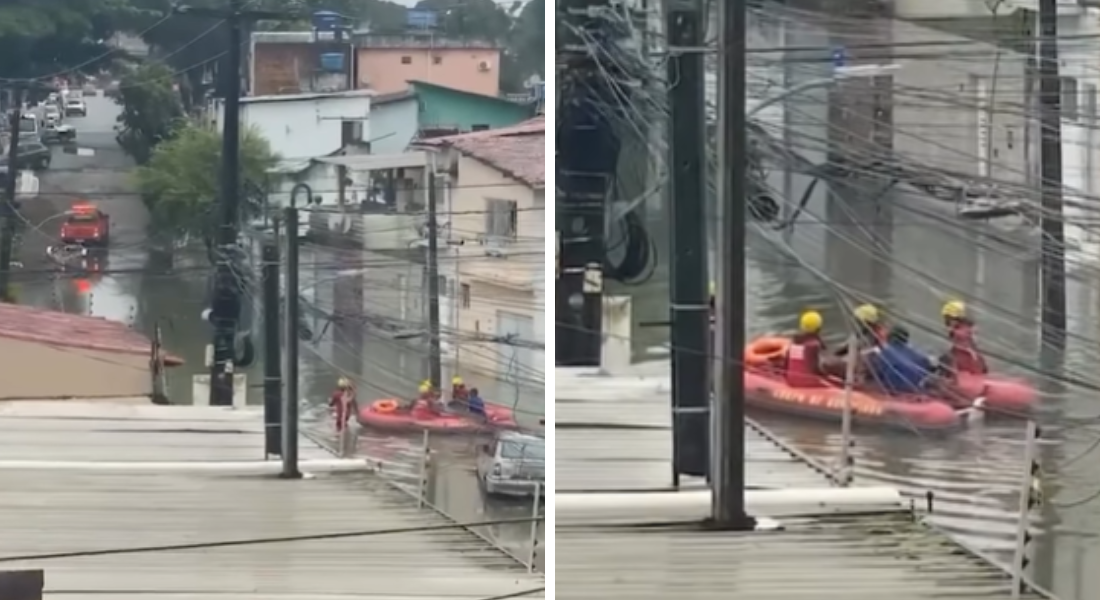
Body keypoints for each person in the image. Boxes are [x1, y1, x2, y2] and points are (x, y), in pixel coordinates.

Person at [865, 325, 936, 395]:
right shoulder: (919, 356)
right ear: (906, 339)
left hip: (891, 391)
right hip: (913, 392)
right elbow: (927, 368)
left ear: (889, 338)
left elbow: (873, 373)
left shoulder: (883, 354)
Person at [940, 300, 988, 375]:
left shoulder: (964, 330)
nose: (947, 323)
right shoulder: (962, 329)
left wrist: (952, 332)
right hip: (963, 363)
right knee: (943, 359)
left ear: (955, 318)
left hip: (968, 365)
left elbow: (964, 339)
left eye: (948, 319)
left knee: (945, 360)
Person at [784, 310, 827, 387]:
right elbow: (815, 369)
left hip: (792, 381)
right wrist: (826, 375)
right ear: (819, 327)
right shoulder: (814, 345)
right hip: (809, 384)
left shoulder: (794, 342)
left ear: (802, 326)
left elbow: (786, 363)